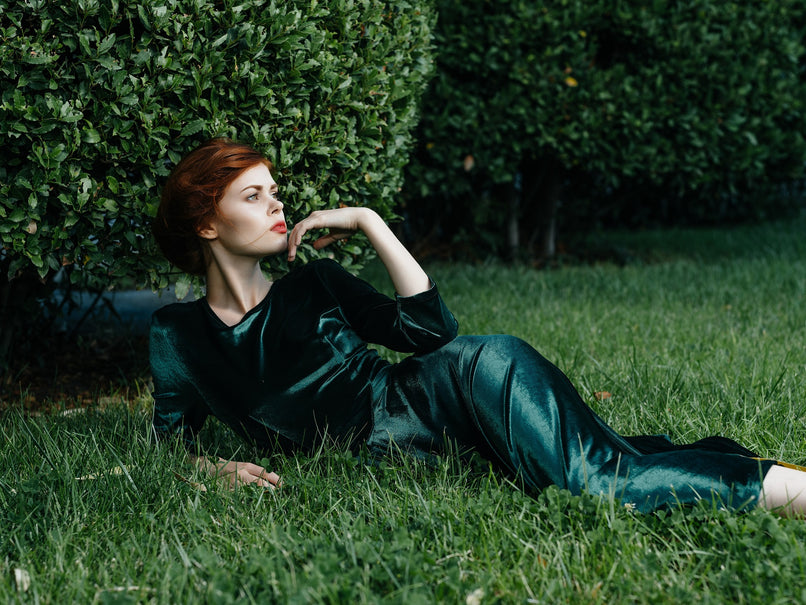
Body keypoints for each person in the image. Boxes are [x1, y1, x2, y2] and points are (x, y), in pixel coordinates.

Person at [150, 137, 806, 516]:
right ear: (208, 223)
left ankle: (791, 490)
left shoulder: (314, 284)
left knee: (590, 484)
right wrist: (213, 469)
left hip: (459, 384)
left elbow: (432, 329)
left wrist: (370, 222)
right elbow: (168, 444)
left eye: (274, 189)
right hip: (417, 449)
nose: (278, 202)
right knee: (590, 466)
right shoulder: (178, 335)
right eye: (253, 195)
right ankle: (742, 469)